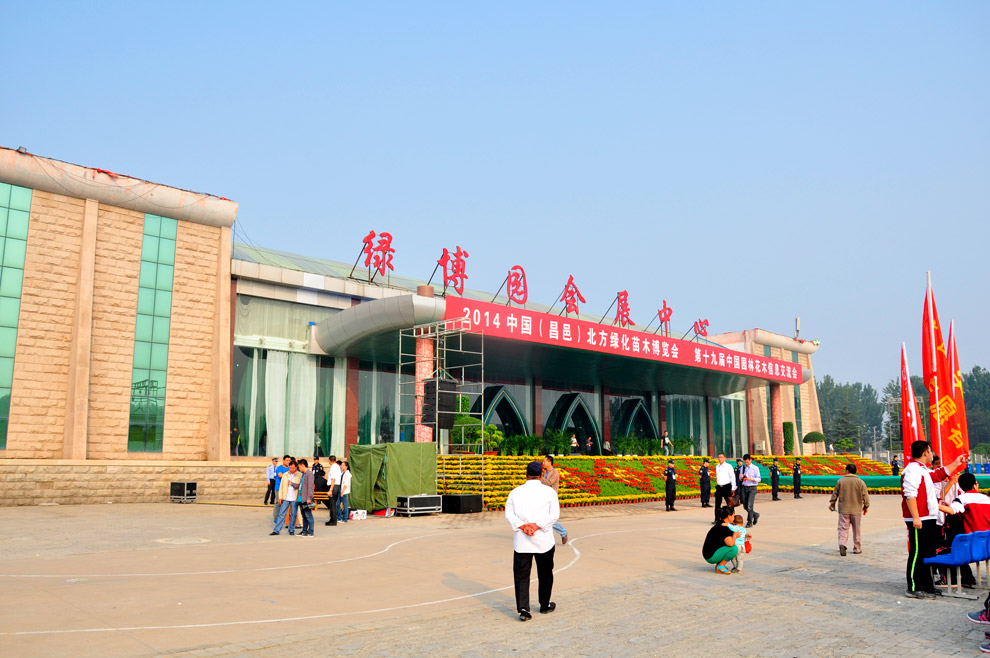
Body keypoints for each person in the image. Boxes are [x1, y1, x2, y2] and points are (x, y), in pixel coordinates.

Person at [901, 439, 967, 599]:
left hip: (929, 517)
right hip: (920, 518)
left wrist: (956, 463)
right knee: (917, 553)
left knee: (928, 553)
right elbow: (909, 494)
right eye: (931, 451)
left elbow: (939, 474)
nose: (932, 454)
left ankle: (927, 585)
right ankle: (914, 586)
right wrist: (916, 517)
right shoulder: (912, 470)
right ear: (926, 452)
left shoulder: (922, 469)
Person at [505, 461, 560, 621]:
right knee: (545, 574)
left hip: (522, 541)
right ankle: (544, 604)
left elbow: (509, 514)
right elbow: (554, 515)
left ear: (526, 474)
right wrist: (537, 525)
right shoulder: (549, 492)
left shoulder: (515, 492)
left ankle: (524, 609)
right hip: (543, 540)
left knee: (522, 575)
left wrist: (523, 526)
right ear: (541, 475)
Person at [829, 463, 869, 556]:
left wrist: (832, 504)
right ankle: (857, 548)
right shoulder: (860, 482)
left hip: (844, 510)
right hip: (856, 510)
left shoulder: (840, 481)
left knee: (843, 528)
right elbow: (865, 496)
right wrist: (866, 507)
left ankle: (842, 544)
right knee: (856, 530)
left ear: (847, 471)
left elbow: (835, 494)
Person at [703, 505, 741, 575]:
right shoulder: (724, 527)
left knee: (731, 546)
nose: (734, 517)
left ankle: (719, 564)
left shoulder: (720, 523)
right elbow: (730, 543)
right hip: (711, 556)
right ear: (729, 516)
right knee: (734, 548)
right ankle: (721, 566)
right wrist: (735, 536)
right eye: (733, 515)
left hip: (708, 553)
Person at [541, 456, 568, 544]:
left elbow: (549, 483)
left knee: (549, 518)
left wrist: (540, 477)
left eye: (544, 461)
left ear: (549, 462)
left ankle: (563, 532)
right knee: (544, 516)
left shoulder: (555, 473)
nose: (543, 463)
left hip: (552, 497)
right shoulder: (545, 472)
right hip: (545, 497)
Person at [271, 459, 300, 536]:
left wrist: (292, 483)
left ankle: (291, 530)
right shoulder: (285, 475)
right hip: (286, 497)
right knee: (281, 514)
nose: (291, 469)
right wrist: (280, 497)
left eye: (293, 468)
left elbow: (300, 486)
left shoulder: (299, 475)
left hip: (294, 498)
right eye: (290, 468)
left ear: (296, 467)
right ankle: (276, 530)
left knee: (293, 514)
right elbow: (281, 487)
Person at [713, 453, 736, 524]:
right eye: (719, 457)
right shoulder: (717, 466)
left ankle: (732, 519)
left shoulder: (728, 466)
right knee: (717, 504)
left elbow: (732, 477)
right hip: (719, 487)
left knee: (730, 504)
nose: (720, 459)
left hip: (727, 486)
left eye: (721, 457)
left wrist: (733, 487)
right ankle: (717, 519)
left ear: (725, 458)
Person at [739, 454, 761, 527]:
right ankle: (755, 514)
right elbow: (740, 478)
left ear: (750, 460)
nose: (746, 463)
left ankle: (749, 521)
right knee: (745, 506)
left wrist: (751, 479)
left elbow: (759, 479)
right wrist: (741, 477)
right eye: (745, 462)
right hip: (744, 487)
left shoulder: (755, 468)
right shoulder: (743, 467)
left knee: (749, 505)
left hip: (752, 488)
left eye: (747, 462)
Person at [297, 458, 315, 537]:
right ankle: (304, 530)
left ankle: (311, 531)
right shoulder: (303, 474)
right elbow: (301, 486)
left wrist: (309, 497)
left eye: (299, 467)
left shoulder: (309, 474)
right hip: (301, 498)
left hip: (306, 498)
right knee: (304, 515)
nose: (299, 468)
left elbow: (310, 487)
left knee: (308, 515)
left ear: (303, 465)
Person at [272, 455, 291, 522]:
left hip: (287, 489)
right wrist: (289, 476)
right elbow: (280, 475)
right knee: (278, 503)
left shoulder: (290, 468)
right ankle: (276, 518)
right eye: (287, 460)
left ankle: (285, 518)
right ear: (283, 461)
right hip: (279, 488)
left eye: (289, 460)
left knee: (286, 504)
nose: (288, 462)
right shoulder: (279, 468)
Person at [325, 456, 342, 526]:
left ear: (329, 460)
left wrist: (330, 490)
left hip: (333, 486)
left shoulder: (333, 467)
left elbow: (333, 479)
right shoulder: (337, 467)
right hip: (337, 486)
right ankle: (332, 519)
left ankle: (333, 520)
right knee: (333, 504)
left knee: (332, 504)